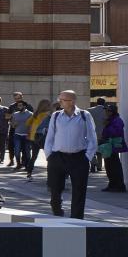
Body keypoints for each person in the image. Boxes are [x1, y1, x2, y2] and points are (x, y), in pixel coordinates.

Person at [42, 89, 97, 219]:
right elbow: (50, 137)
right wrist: (49, 155)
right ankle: (57, 212)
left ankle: (77, 219)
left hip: (79, 158)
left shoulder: (84, 115)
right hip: (57, 157)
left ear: (72, 101)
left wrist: (87, 157)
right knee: (55, 189)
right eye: (59, 99)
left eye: (62, 100)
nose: (59, 102)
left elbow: (92, 138)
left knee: (79, 190)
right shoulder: (56, 116)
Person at [100, 104, 128, 192]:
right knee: (108, 166)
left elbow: (117, 132)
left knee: (115, 166)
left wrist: (107, 126)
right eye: (106, 111)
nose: (106, 112)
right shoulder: (110, 120)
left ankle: (119, 185)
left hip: (113, 146)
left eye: (108, 111)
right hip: (107, 146)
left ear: (112, 112)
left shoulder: (117, 120)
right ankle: (112, 184)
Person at [22, 98, 52, 177]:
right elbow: (49, 127)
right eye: (49, 105)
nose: (50, 106)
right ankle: (50, 175)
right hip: (43, 137)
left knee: (34, 156)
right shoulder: (47, 116)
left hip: (34, 137)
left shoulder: (35, 114)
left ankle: (29, 172)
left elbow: (27, 123)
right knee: (49, 156)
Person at [88, 96, 110, 173]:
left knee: (92, 150)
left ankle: (93, 164)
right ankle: (100, 166)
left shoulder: (89, 111)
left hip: (92, 134)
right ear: (104, 103)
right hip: (103, 134)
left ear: (96, 102)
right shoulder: (106, 111)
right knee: (100, 150)